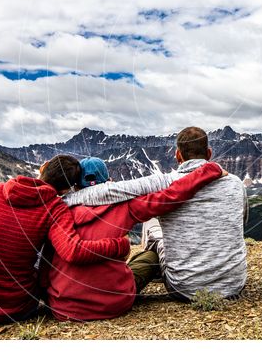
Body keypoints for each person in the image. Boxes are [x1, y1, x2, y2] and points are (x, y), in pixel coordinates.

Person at [65, 126, 248, 301]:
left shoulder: (164, 182)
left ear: (178, 155)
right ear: (208, 154)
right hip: (234, 285)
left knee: (152, 223)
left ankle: (151, 262)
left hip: (184, 287)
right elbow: (242, 220)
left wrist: (62, 200)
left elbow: (109, 191)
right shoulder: (236, 183)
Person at [0, 154, 129, 325]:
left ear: (43, 167)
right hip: (12, 310)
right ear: (66, 189)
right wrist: (118, 245)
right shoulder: (55, 208)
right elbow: (73, 251)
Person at [41, 159, 225, 321]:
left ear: (76, 186)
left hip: (64, 308)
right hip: (114, 302)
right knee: (151, 257)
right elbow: (170, 196)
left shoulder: (58, 211)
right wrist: (208, 171)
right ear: (108, 182)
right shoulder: (125, 206)